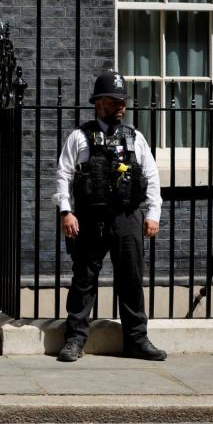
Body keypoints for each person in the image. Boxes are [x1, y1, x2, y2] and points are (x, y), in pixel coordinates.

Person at [53, 70, 166, 363]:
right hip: (90, 217)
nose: (122, 106)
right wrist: (67, 211)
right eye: (115, 101)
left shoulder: (135, 138)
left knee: (131, 280)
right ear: (100, 103)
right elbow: (63, 175)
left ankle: (137, 340)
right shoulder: (79, 137)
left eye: (123, 101)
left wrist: (153, 214)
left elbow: (151, 177)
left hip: (128, 217)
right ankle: (75, 340)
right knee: (84, 280)